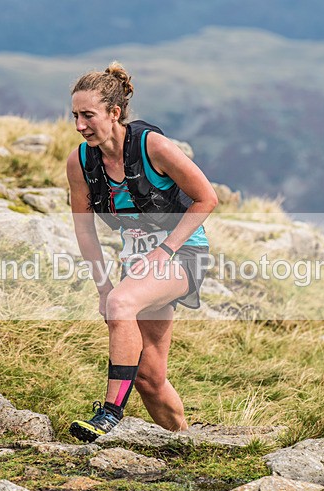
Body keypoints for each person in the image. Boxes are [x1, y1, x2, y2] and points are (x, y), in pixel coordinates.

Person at [65, 62, 218, 442]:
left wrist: (164, 250)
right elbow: (84, 231)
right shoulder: (81, 163)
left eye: (88, 115)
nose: (80, 126)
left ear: (114, 113)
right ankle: (186, 441)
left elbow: (206, 198)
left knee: (122, 304)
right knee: (150, 376)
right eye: (75, 116)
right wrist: (103, 287)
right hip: (138, 260)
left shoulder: (153, 147)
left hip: (182, 253)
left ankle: (110, 412)